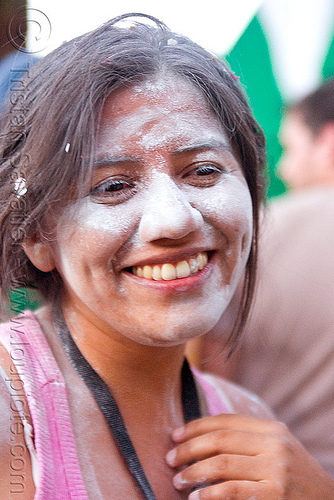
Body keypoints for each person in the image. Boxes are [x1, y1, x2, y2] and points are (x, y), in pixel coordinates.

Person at [0, 13, 333, 499]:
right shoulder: (13, 410)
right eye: (112, 186)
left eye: (201, 171)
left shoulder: (252, 425)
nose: (175, 221)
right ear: (38, 238)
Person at [187, 78, 334, 480]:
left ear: (328, 142)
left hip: (263, 478)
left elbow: (207, 383)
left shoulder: (252, 233)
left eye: (290, 148)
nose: (285, 167)